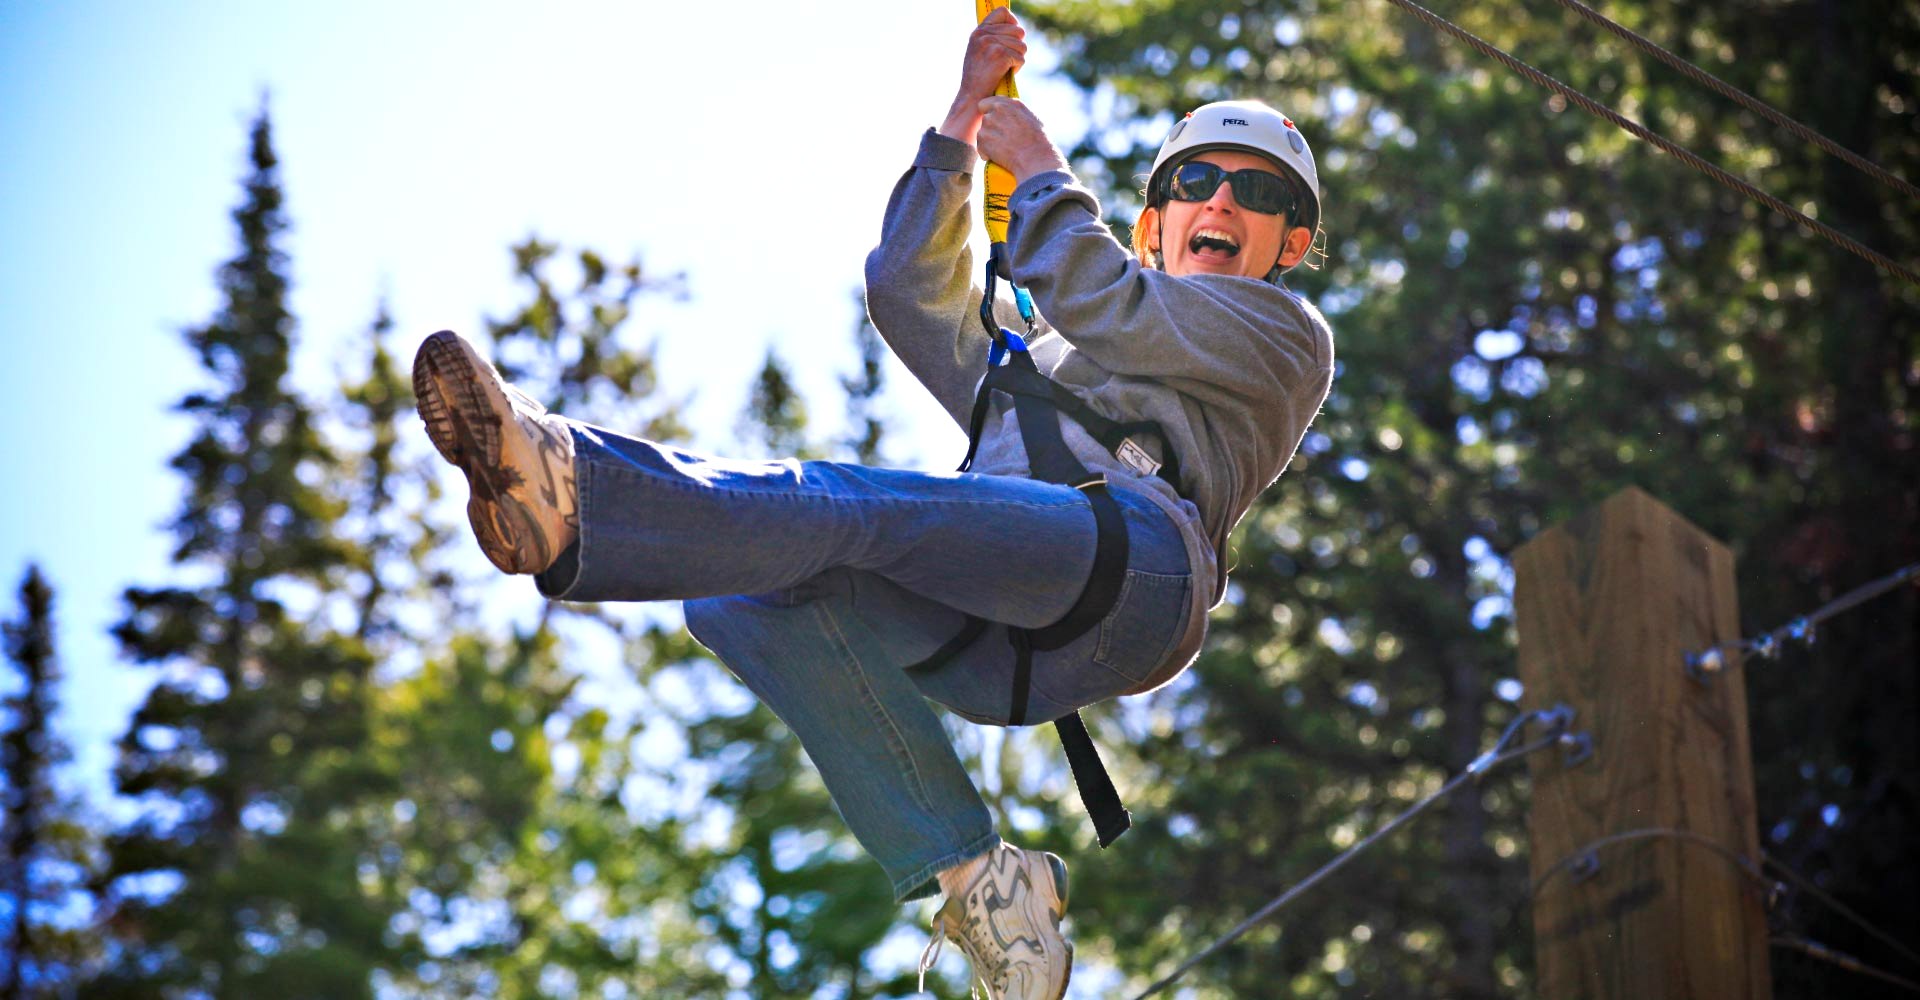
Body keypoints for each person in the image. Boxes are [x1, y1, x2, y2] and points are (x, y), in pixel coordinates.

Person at [411, 9, 1333, 998]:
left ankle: (571, 480)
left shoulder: (1282, 340)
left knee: (854, 505)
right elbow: (906, 290)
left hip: (1139, 572)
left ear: (1290, 242)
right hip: (1006, 643)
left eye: (1257, 191)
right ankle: (984, 885)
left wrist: (1041, 173)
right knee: (739, 598)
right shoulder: (1045, 352)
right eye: (1195, 181)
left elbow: (1106, 296)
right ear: (1158, 222)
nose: (1221, 199)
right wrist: (964, 125)